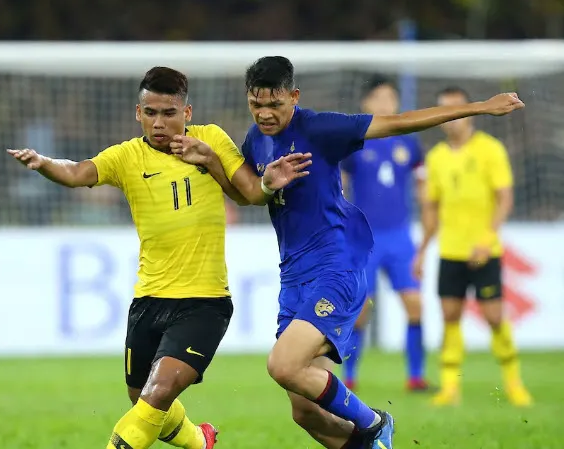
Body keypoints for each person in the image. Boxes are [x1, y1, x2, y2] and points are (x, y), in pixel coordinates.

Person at [170, 56, 524, 449]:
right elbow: (252, 195)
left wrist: (480, 107)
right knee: (305, 411)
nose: (265, 113)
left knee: (283, 364)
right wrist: (211, 162)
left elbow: (400, 122)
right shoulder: (256, 139)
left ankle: (374, 423)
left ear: (294, 96)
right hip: (294, 277)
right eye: (256, 104)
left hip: (335, 267)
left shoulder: (321, 128)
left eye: (274, 104)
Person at [7, 66, 307, 449]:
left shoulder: (210, 139)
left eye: (169, 113)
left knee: (158, 392)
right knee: (142, 398)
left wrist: (247, 176)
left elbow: (248, 193)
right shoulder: (126, 157)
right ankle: (200, 441)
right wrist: (45, 163)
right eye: (150, 113)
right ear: (138, 113)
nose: (159, 122)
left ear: (187, 112)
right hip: (148, 299)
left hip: (204, 302)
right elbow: (78, 172)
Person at [414, 86, 533, 407]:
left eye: (456, 108)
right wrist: (422, 251)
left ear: (470, 112)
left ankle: (514, 383)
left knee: (494, 316)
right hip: (450, 251)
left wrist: (486, 240)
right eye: (445, 109)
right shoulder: (436, 158)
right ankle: (450, 387)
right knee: (450, 316)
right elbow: (431, 210)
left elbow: (504, 199)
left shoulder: (490, 149)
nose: (451, 117)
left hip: (485, 250)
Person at [339, 77, 429, 392]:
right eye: (378, 98)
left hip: (400, 237)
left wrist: (426, 230)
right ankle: (349, 377)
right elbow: (340, 187)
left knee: (415, 304)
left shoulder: (409, 143)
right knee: (360, 310)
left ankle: (416, 376)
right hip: (365, 240)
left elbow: (423, 189)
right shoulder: (355, 140)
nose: (385, 104)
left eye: (390, 97)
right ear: (365, 103)